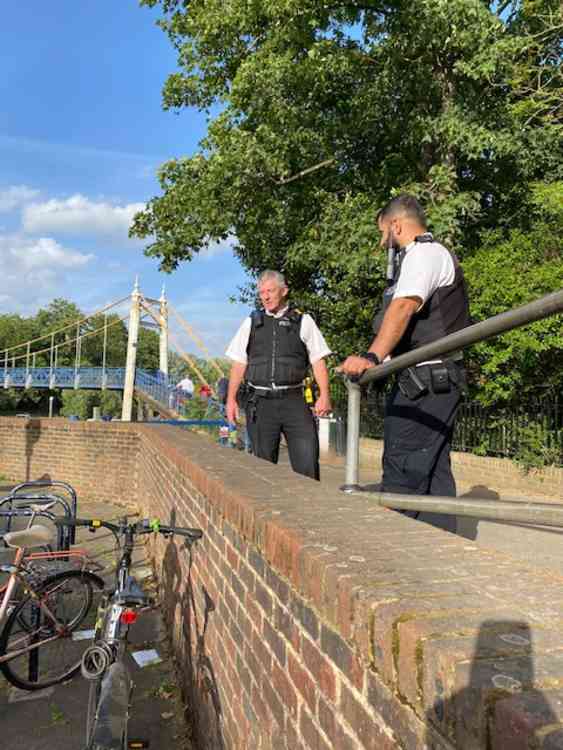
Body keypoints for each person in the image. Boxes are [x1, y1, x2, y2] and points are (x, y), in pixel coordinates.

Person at [339, 195, 470, 532]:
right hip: (435, 379)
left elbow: (402, 308)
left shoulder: (423, 254)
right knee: (433, 475)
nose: (385, 243)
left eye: (385, 234)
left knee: (403, 469)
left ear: (396, 225)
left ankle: (396, 563)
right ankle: (440, 556)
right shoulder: (429, 256)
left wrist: (371, 357)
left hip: (426, 380)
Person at [225, 270, 332, 480]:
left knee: (307, 464)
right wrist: (231, 400)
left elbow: (318, 360)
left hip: (295, 402)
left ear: (284, 291)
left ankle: (307, 511)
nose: (265, 297)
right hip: (261, 404)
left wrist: (325, 395)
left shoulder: (303, 320)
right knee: (262, 470)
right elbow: (239, 363)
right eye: (261, 292)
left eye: (270, 291)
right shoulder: (252, 322)